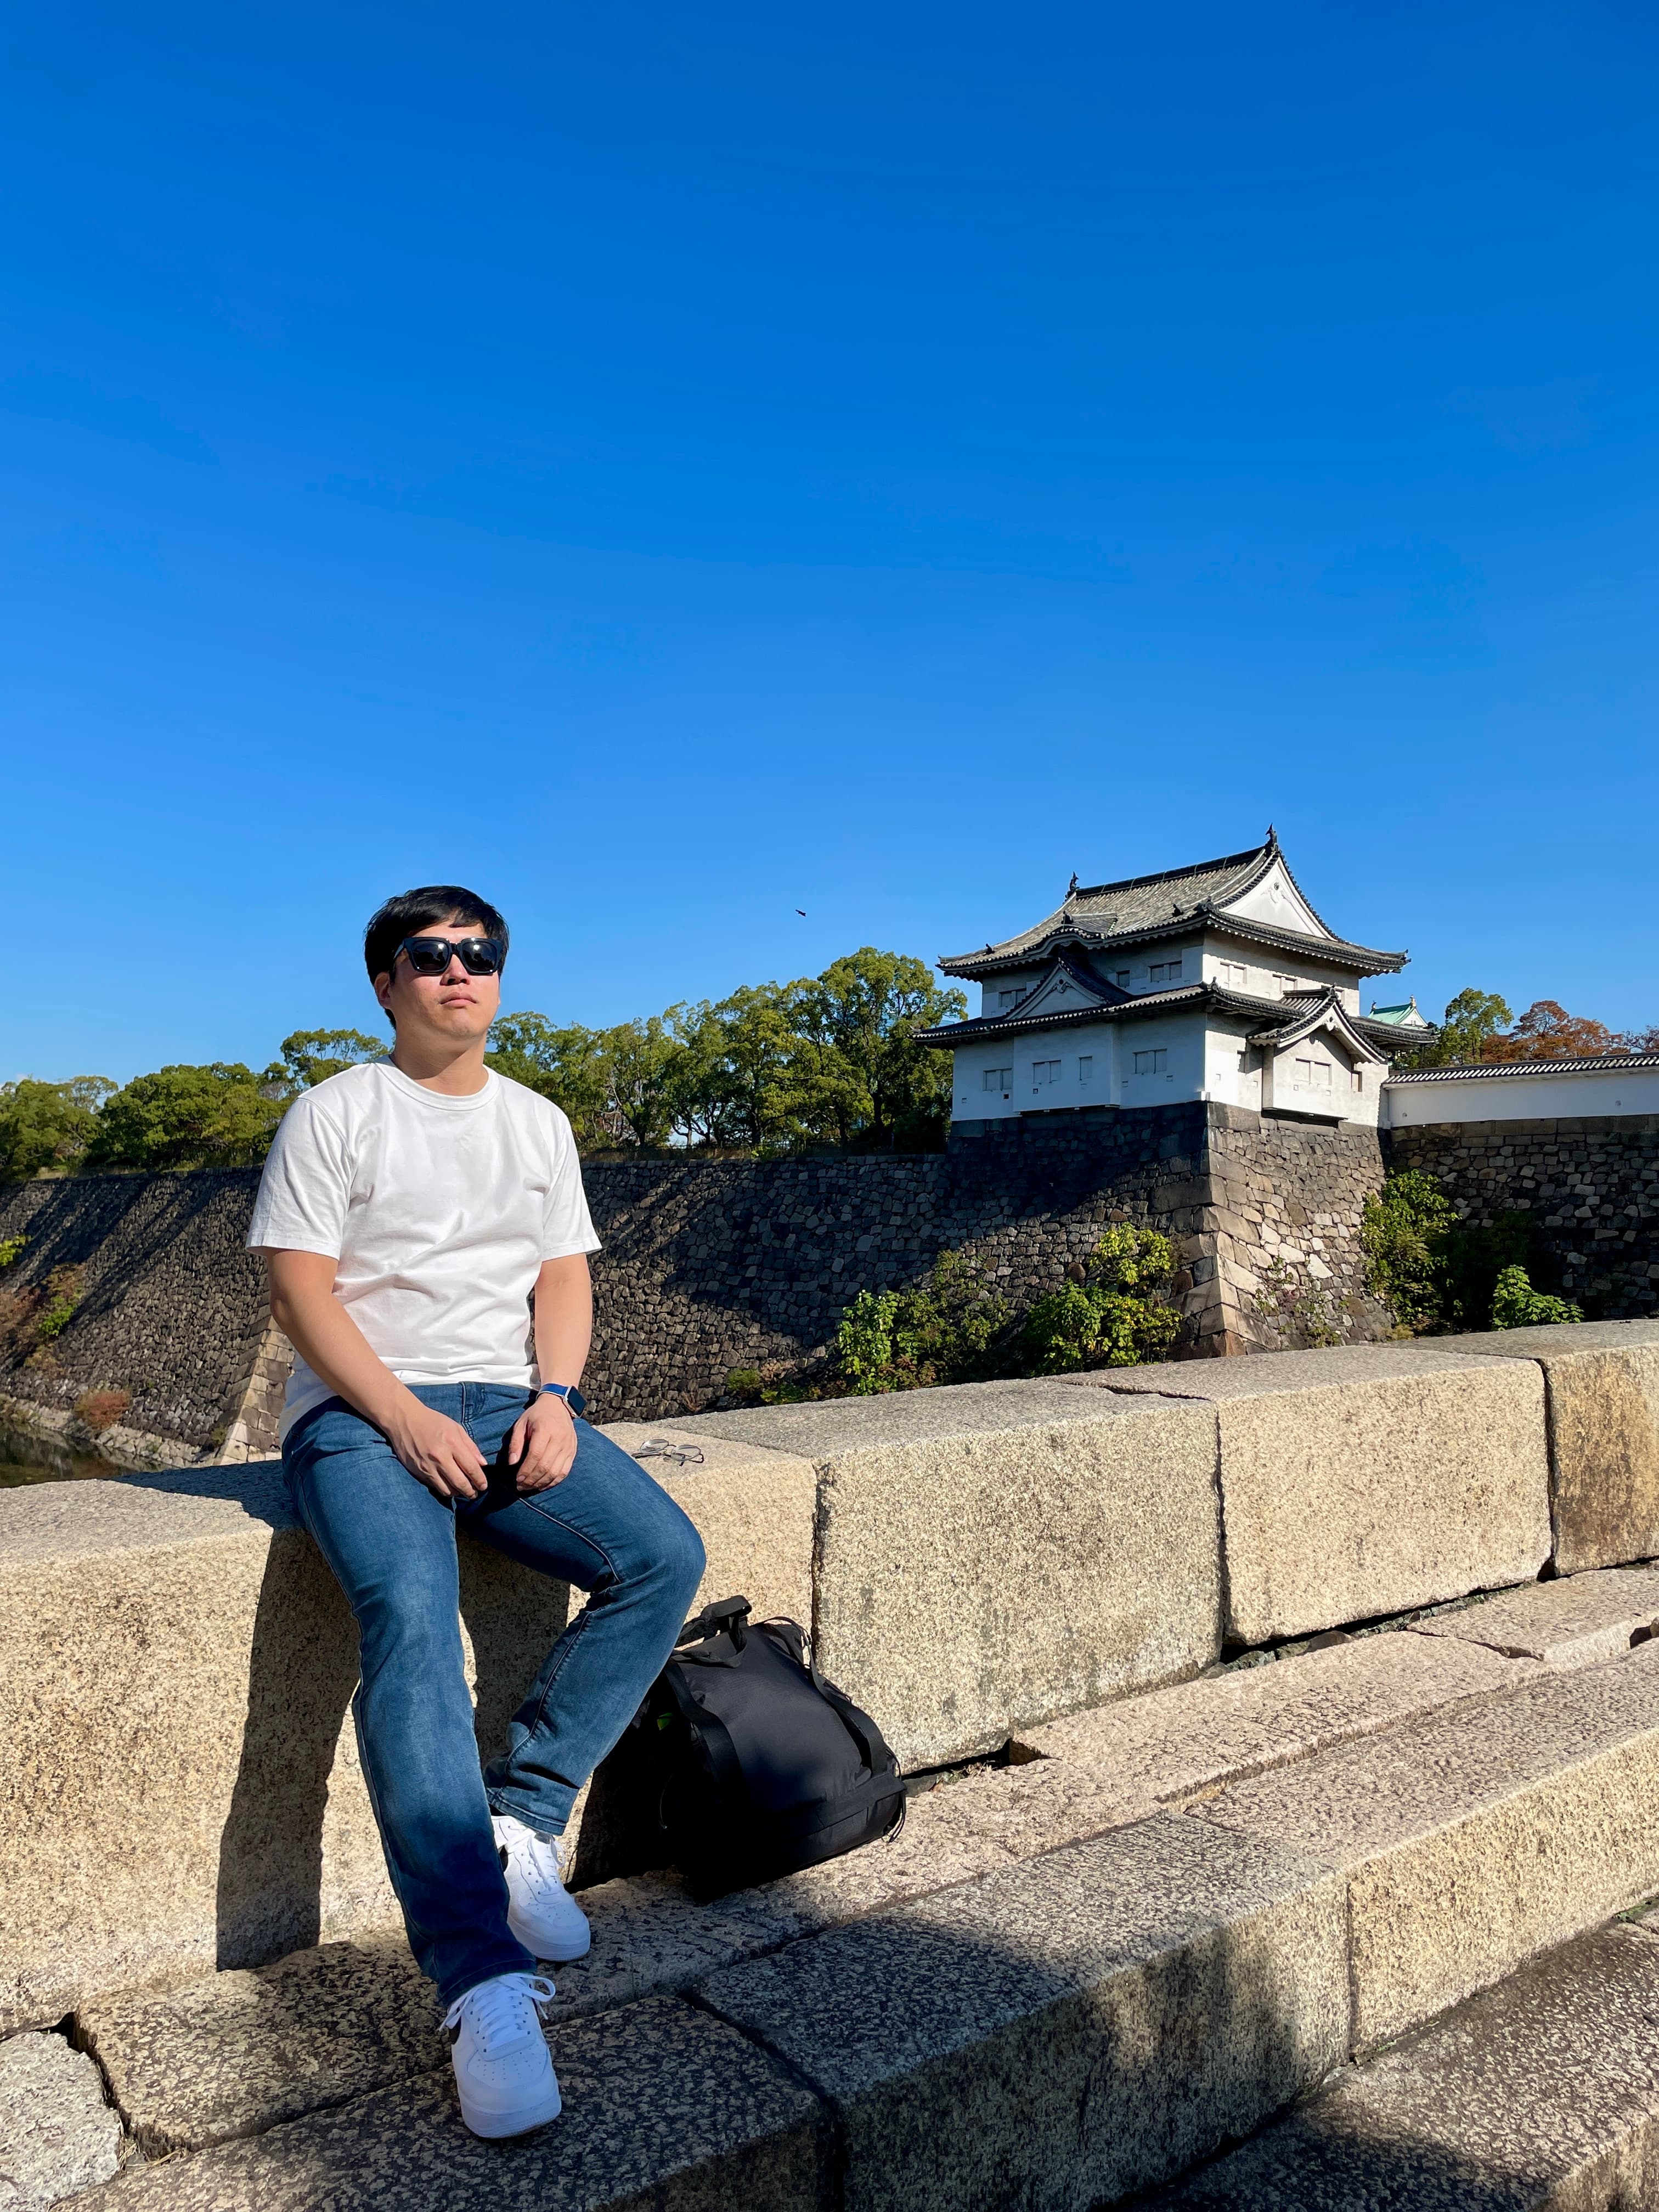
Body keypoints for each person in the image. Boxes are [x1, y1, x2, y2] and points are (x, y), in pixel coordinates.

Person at [247, 884, 706, 2140]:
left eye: (481, 956)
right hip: (358, 1414)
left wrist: (558, 1397)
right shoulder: (337, 1110)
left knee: (660, 1555)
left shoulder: (538, 1122)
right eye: (431, 956)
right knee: (411, 1615)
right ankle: (480, 1981)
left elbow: (563, 1278)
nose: (461, 972)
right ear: (386, 984)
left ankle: (527, 1818)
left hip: (509, 1403)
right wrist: (398, 1415)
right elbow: (300, 1291)